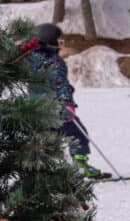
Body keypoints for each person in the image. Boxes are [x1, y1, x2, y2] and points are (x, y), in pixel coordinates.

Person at [26, 22, 110, 179]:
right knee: (78, 133)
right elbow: (61, 85)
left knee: (44, 138)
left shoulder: (30, 60)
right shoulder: (55, 62)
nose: (61, 44)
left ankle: (40, 169)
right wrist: (67, 104)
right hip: (56, 108)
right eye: (59, 40)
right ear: (50, 41)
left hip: (35, 109)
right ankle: (80, 166)